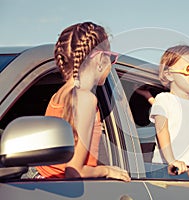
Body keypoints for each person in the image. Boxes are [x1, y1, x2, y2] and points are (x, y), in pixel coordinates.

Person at [22, 22, 130, 181]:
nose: (112, 64)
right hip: (67, 188)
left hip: (47, 184)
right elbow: (74, 171)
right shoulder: (85, 99)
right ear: (100, 58)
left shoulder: (57, 97)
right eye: (111, 57)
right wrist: (107, 170)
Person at [149, 45, 189, 180]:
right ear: (169, 74)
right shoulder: (164, 99)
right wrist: (172, 160)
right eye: (188, 69)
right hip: (165, 169)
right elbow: (162, 130)